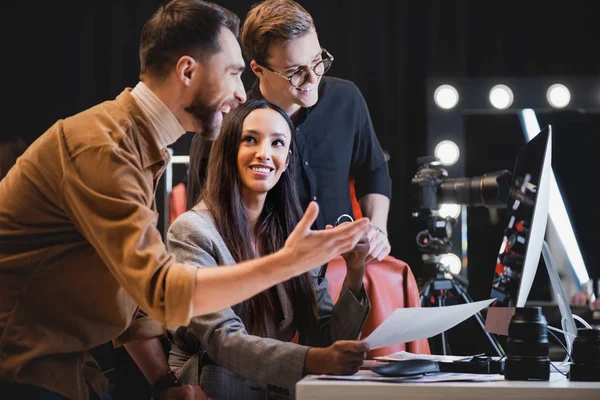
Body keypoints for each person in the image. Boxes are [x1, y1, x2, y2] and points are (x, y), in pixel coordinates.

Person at [0, 1, 371, 399]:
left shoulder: (137, 146)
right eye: (232, 73)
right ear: (187, 71)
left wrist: (164, 383)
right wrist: (288, 263)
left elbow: (132, 295)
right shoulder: (105, 149)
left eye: (279, 143)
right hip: (22, 370)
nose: (236, 95)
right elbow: (164, 295)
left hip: (68, 370)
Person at [166, 98, 371, 400]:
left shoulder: (294, 233)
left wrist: (356, 270)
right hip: (211, 390)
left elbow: (327, 339)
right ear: (227, 149)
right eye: (250, 139)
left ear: (287, 160)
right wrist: (311, 360)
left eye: (277, 143)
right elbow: (222, 339)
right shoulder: (191, 231)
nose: (264, 154)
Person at [240, 0, 392, 265]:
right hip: (269, 274)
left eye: (317, 61)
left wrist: (377, 229)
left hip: (344, 267)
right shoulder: (235, 122)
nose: (313, 79)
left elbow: (373, 171)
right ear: (258, 69)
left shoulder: (346, 99)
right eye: (295, 72)